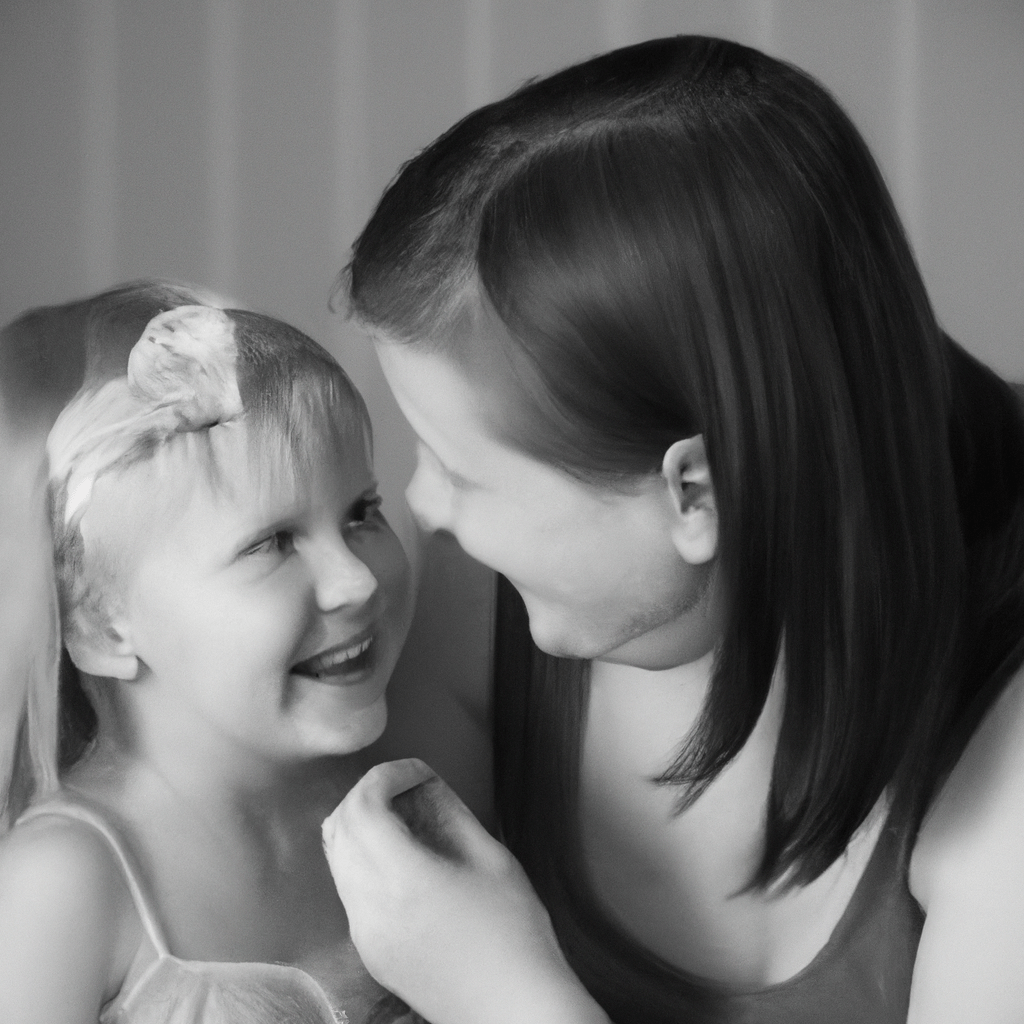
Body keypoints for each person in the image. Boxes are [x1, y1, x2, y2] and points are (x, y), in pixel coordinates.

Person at [321, 34, 1024, 1024]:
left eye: (465, 472)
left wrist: (510, 1001)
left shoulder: (1003, 764)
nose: (423, 506)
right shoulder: (480, 590)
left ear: (697, 491)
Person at [0, 282, 419, 1023]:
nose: (355, 580)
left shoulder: (378, 808)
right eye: (272, 542)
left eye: (362, 513)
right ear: (101, 623)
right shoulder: (66, 882)